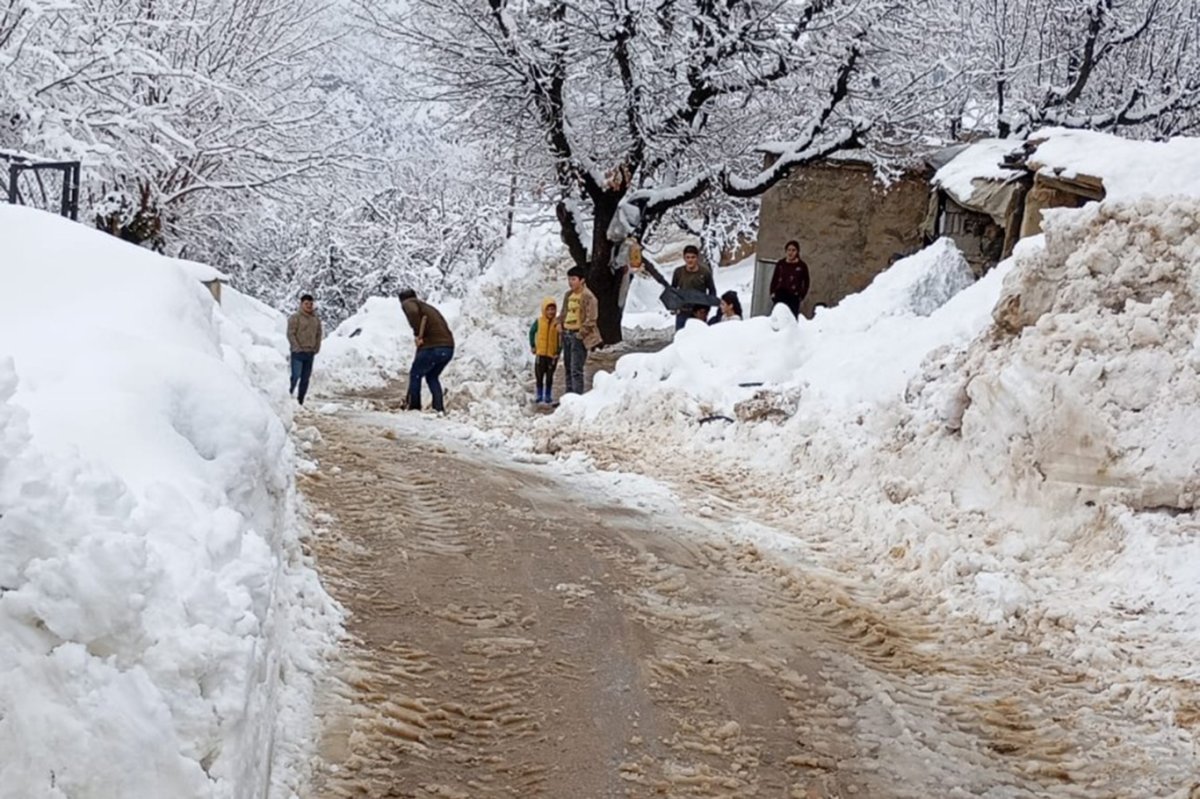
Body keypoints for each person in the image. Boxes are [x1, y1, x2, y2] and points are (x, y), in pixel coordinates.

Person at [398, 289, 455, 413]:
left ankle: (414, 407)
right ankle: (438, 408)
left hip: (433, 347)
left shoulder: (409, 303)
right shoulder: (427, 308)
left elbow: (412, 311)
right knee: (432, 376)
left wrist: (418, 334)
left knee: (415, 375)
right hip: (448, 348)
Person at [557, 266, 601, 395]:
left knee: (576, 369)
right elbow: (564, 312)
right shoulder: (568, 295)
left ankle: (577, 397)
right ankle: (568, 397)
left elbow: (591, 318)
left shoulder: (588, 297)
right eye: (569, 279)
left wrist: (581, 334)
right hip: (567, 334)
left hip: (578, 335)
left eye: (573, 279)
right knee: (568, 368)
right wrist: (559, 323)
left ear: (582, 280)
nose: (570, 282)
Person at [671, 245, 717, 331]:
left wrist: (706, 309)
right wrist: (674, 306)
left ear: (697, 258)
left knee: (698, 337)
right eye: (687, 257)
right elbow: (672, 291)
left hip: (699, 312)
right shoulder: (678, 272)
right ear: (684, 258)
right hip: (683, 311)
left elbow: (712, 291)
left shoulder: (705, 272)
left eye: (693, 257)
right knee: (681, 337)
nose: (690, 260)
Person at [287, 293, 322, 405]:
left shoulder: (315, 319)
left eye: (311, 304)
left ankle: (300, 400)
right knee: (295, 376)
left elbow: (319, 333)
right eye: (306, 304)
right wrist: (296, 347)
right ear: (301, 304)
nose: (309, 306)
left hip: (310, 352)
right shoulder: (295, 317)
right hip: (298, 353)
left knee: (305, 379)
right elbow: (290, 333)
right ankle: (287, 397)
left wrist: (316, 347)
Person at [528, 297, 560, 404]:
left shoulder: (557, 323)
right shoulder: (539, 322)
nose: (551, 312)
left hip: (552, 355)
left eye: (553, 309)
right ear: (543, 310)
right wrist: (533, 345)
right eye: (548, 309)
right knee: (539, 376)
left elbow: (561, 338)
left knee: (550, 376)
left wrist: (558, 351)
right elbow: (532, 332)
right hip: (541, 354)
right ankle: (539, 394)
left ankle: (548, 395)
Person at [770, 240, 810, 318]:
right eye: (788, 250)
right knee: (778, 318)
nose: (790, 252)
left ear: (797, 252)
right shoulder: (781, 264)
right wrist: (772, 292)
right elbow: (775, 279)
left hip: (793, 297)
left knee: (791, 319)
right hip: (780, 295)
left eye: (793, 250)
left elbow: (806, 282)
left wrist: (801, 296)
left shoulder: (802, 266)